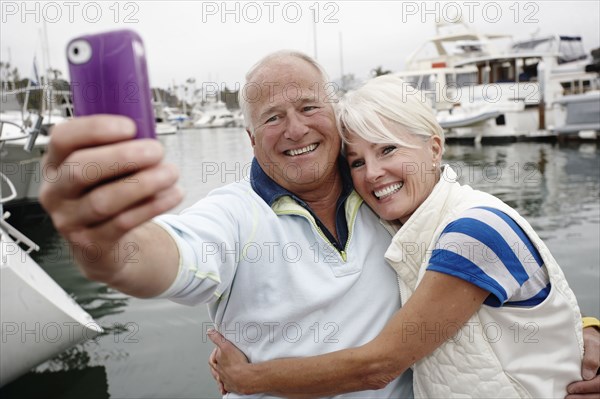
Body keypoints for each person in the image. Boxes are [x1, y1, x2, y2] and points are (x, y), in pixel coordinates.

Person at [39, 51, 599, 398]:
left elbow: (520, 284)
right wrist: (99, 237)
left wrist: (586, 334)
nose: (295, 128)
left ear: (334, 118)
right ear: (252, 140)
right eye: (272, 117)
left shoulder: (390, 203)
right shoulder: (234, 216)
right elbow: (161, 257)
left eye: (309, 107)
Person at [207, 74, 600, 398]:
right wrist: (587, 326)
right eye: (356, 161)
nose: (372, 173)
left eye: (388, 150)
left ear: (434, 148)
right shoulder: (404, 228)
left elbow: (381, 365)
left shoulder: (474, 231)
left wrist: (249, 379)